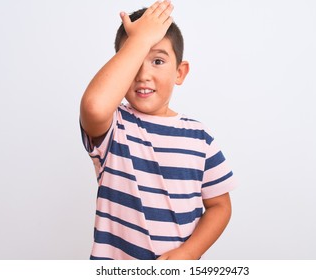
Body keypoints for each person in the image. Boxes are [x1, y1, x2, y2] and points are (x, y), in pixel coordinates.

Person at [80, 0, 236, 260]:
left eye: (158, 61)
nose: (143, 74)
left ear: (180, 72)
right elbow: (94, 106)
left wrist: (189, 252)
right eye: (135, 59)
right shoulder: (115, 127)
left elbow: (220, 206)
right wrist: (139, 40)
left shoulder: (200, 138)